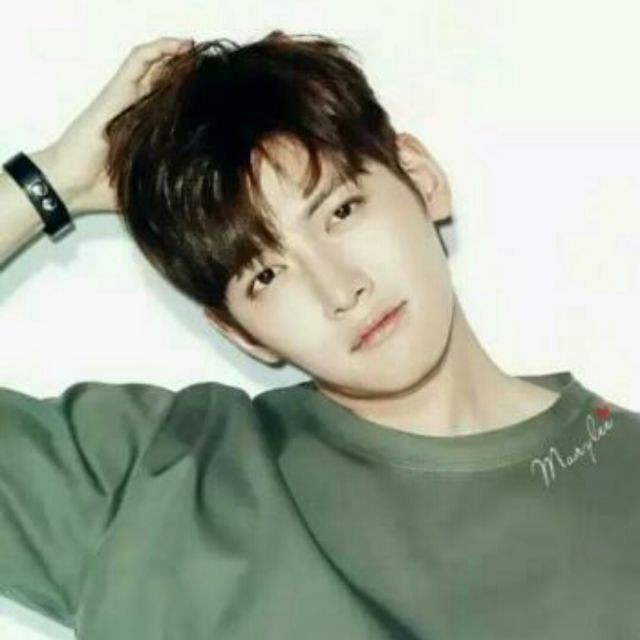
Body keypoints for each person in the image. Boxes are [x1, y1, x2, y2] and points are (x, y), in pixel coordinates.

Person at [0, 30, 637, 640]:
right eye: (266, 275)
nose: (340, 289)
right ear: (240, 332)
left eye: (341, 211)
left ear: (420, 177)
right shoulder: (157, 480)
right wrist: (51, 183)